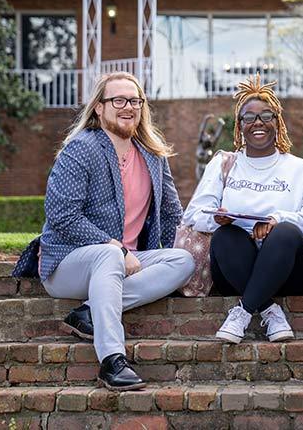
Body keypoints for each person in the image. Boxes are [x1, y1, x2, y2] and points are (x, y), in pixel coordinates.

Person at [39, 72, 195, 391]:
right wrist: (115, 247)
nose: (128, 107)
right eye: (118, 100)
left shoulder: (151, 154)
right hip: (68, 264)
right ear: (99, 107)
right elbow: (60, 215)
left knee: (182, 261)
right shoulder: (81, 149)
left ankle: (88, 312)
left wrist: (195, 250)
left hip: (127, 260)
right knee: (109, 253)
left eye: (135, 100)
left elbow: (170, 212)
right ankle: (112, 361)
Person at [184, 75, 303, 344]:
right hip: (234, 267)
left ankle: (243, 311)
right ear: (239, 126)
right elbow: (194, 214)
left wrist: (277, 220)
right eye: (248, 117)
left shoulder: (299, 168)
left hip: (290, 272)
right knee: (226, 237)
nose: (258, 122)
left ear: (278, 122)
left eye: (266, 115)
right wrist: (219, 219)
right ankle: (268, 310)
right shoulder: (223, 164)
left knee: (286, 232)